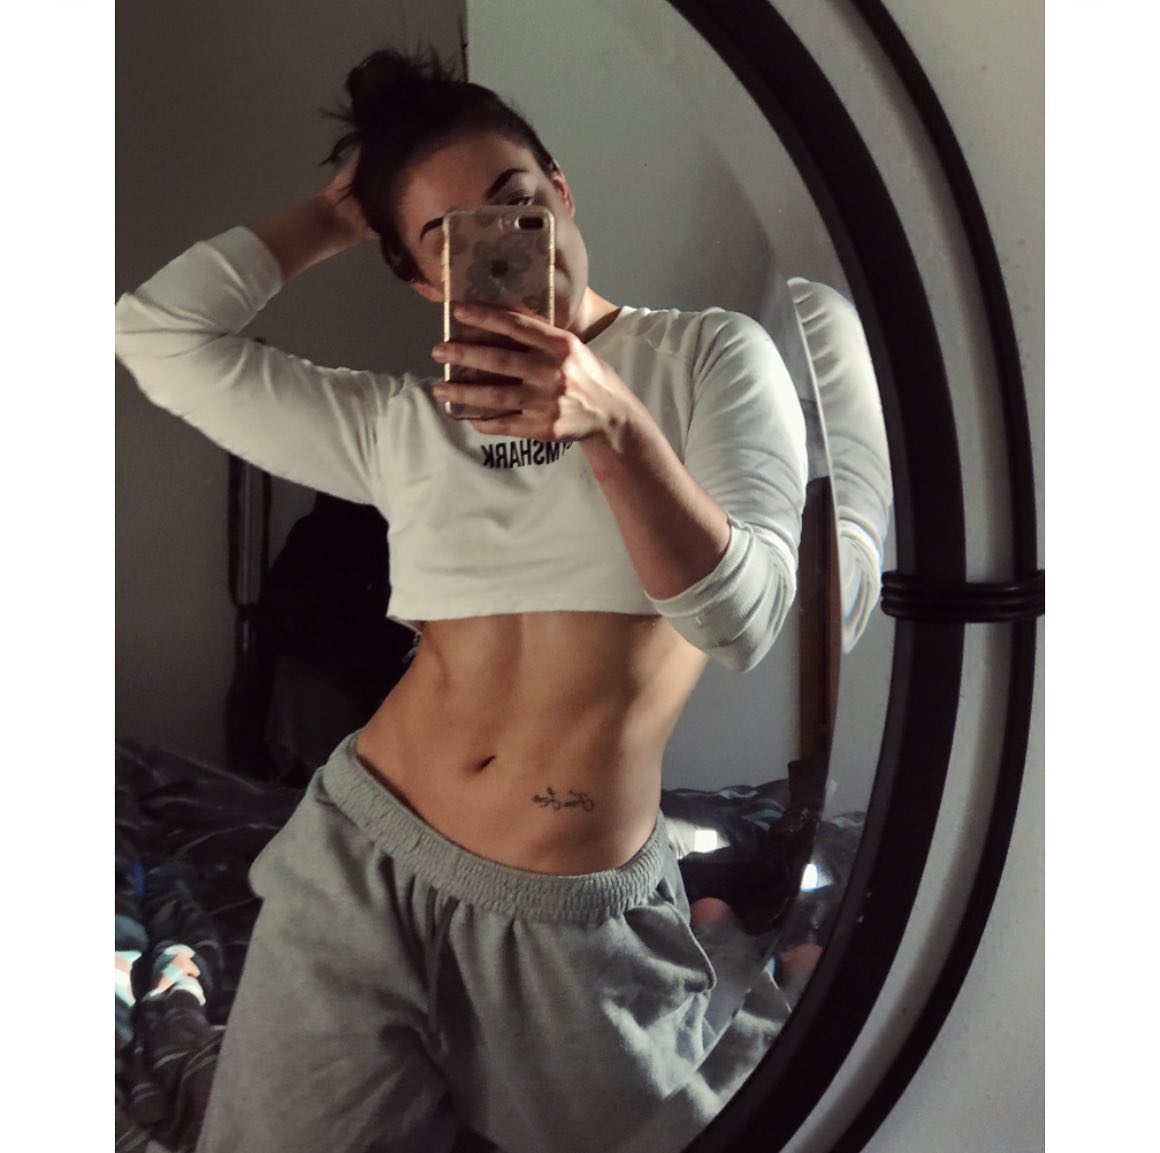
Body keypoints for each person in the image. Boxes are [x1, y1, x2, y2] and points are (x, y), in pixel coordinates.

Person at [115, 48, 808, 1153]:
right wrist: (331, 216)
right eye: (449, 236)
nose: (505, 242)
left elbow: (744, 620)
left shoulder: (707, 358)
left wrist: (612, 425)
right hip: (361, 849)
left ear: (563, 194)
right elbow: (154, 336)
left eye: (518, 203)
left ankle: (723, 956)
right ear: (417, 278)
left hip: (562, 902)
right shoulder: (401, 423)